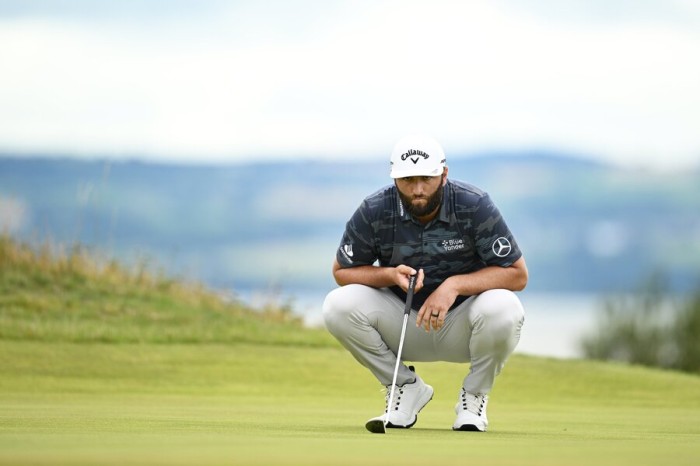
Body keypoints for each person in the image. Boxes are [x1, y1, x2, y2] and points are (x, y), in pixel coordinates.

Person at [322, 134, 527, 432]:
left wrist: (453, 285)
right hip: (403, 324)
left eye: (426, 178)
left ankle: (473, 397)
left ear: (443, 174)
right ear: (394, 179)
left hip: (464, 325)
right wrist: (388, 275)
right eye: (407, 180)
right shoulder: (375, 209)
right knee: (337, 306)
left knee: (505, 307)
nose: (417, 189)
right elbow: (342, 271)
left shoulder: (473, 204)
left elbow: (517, 274)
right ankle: (405, 388)